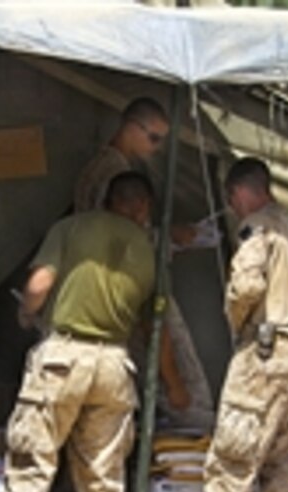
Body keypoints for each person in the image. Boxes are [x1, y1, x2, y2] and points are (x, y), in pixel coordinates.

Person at [0, 172, 157, 492]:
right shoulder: (148, 248)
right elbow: (151, 318)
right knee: (103, 471)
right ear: (141, 207)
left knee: (33, 457)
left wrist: (27, 313)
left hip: (63, 357)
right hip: (115, 365)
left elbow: (40, 285)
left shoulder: (72, 228)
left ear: (106, 198)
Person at [171, 157, 288, 492]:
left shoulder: (257, 230)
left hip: (263, 352)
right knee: (279, 455)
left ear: (241, 193)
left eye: (233, 199)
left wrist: (234, 317)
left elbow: (247, 286)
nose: (232, 208)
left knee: (233, 452)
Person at [74, 97, 208, 425]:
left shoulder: (98, 168)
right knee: (179, 382)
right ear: (132, 128)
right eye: (154, 138)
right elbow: (124, 237)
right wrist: (172, 237)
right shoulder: (113, 173)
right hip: (130, 284)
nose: (157, 148)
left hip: (104, 292)